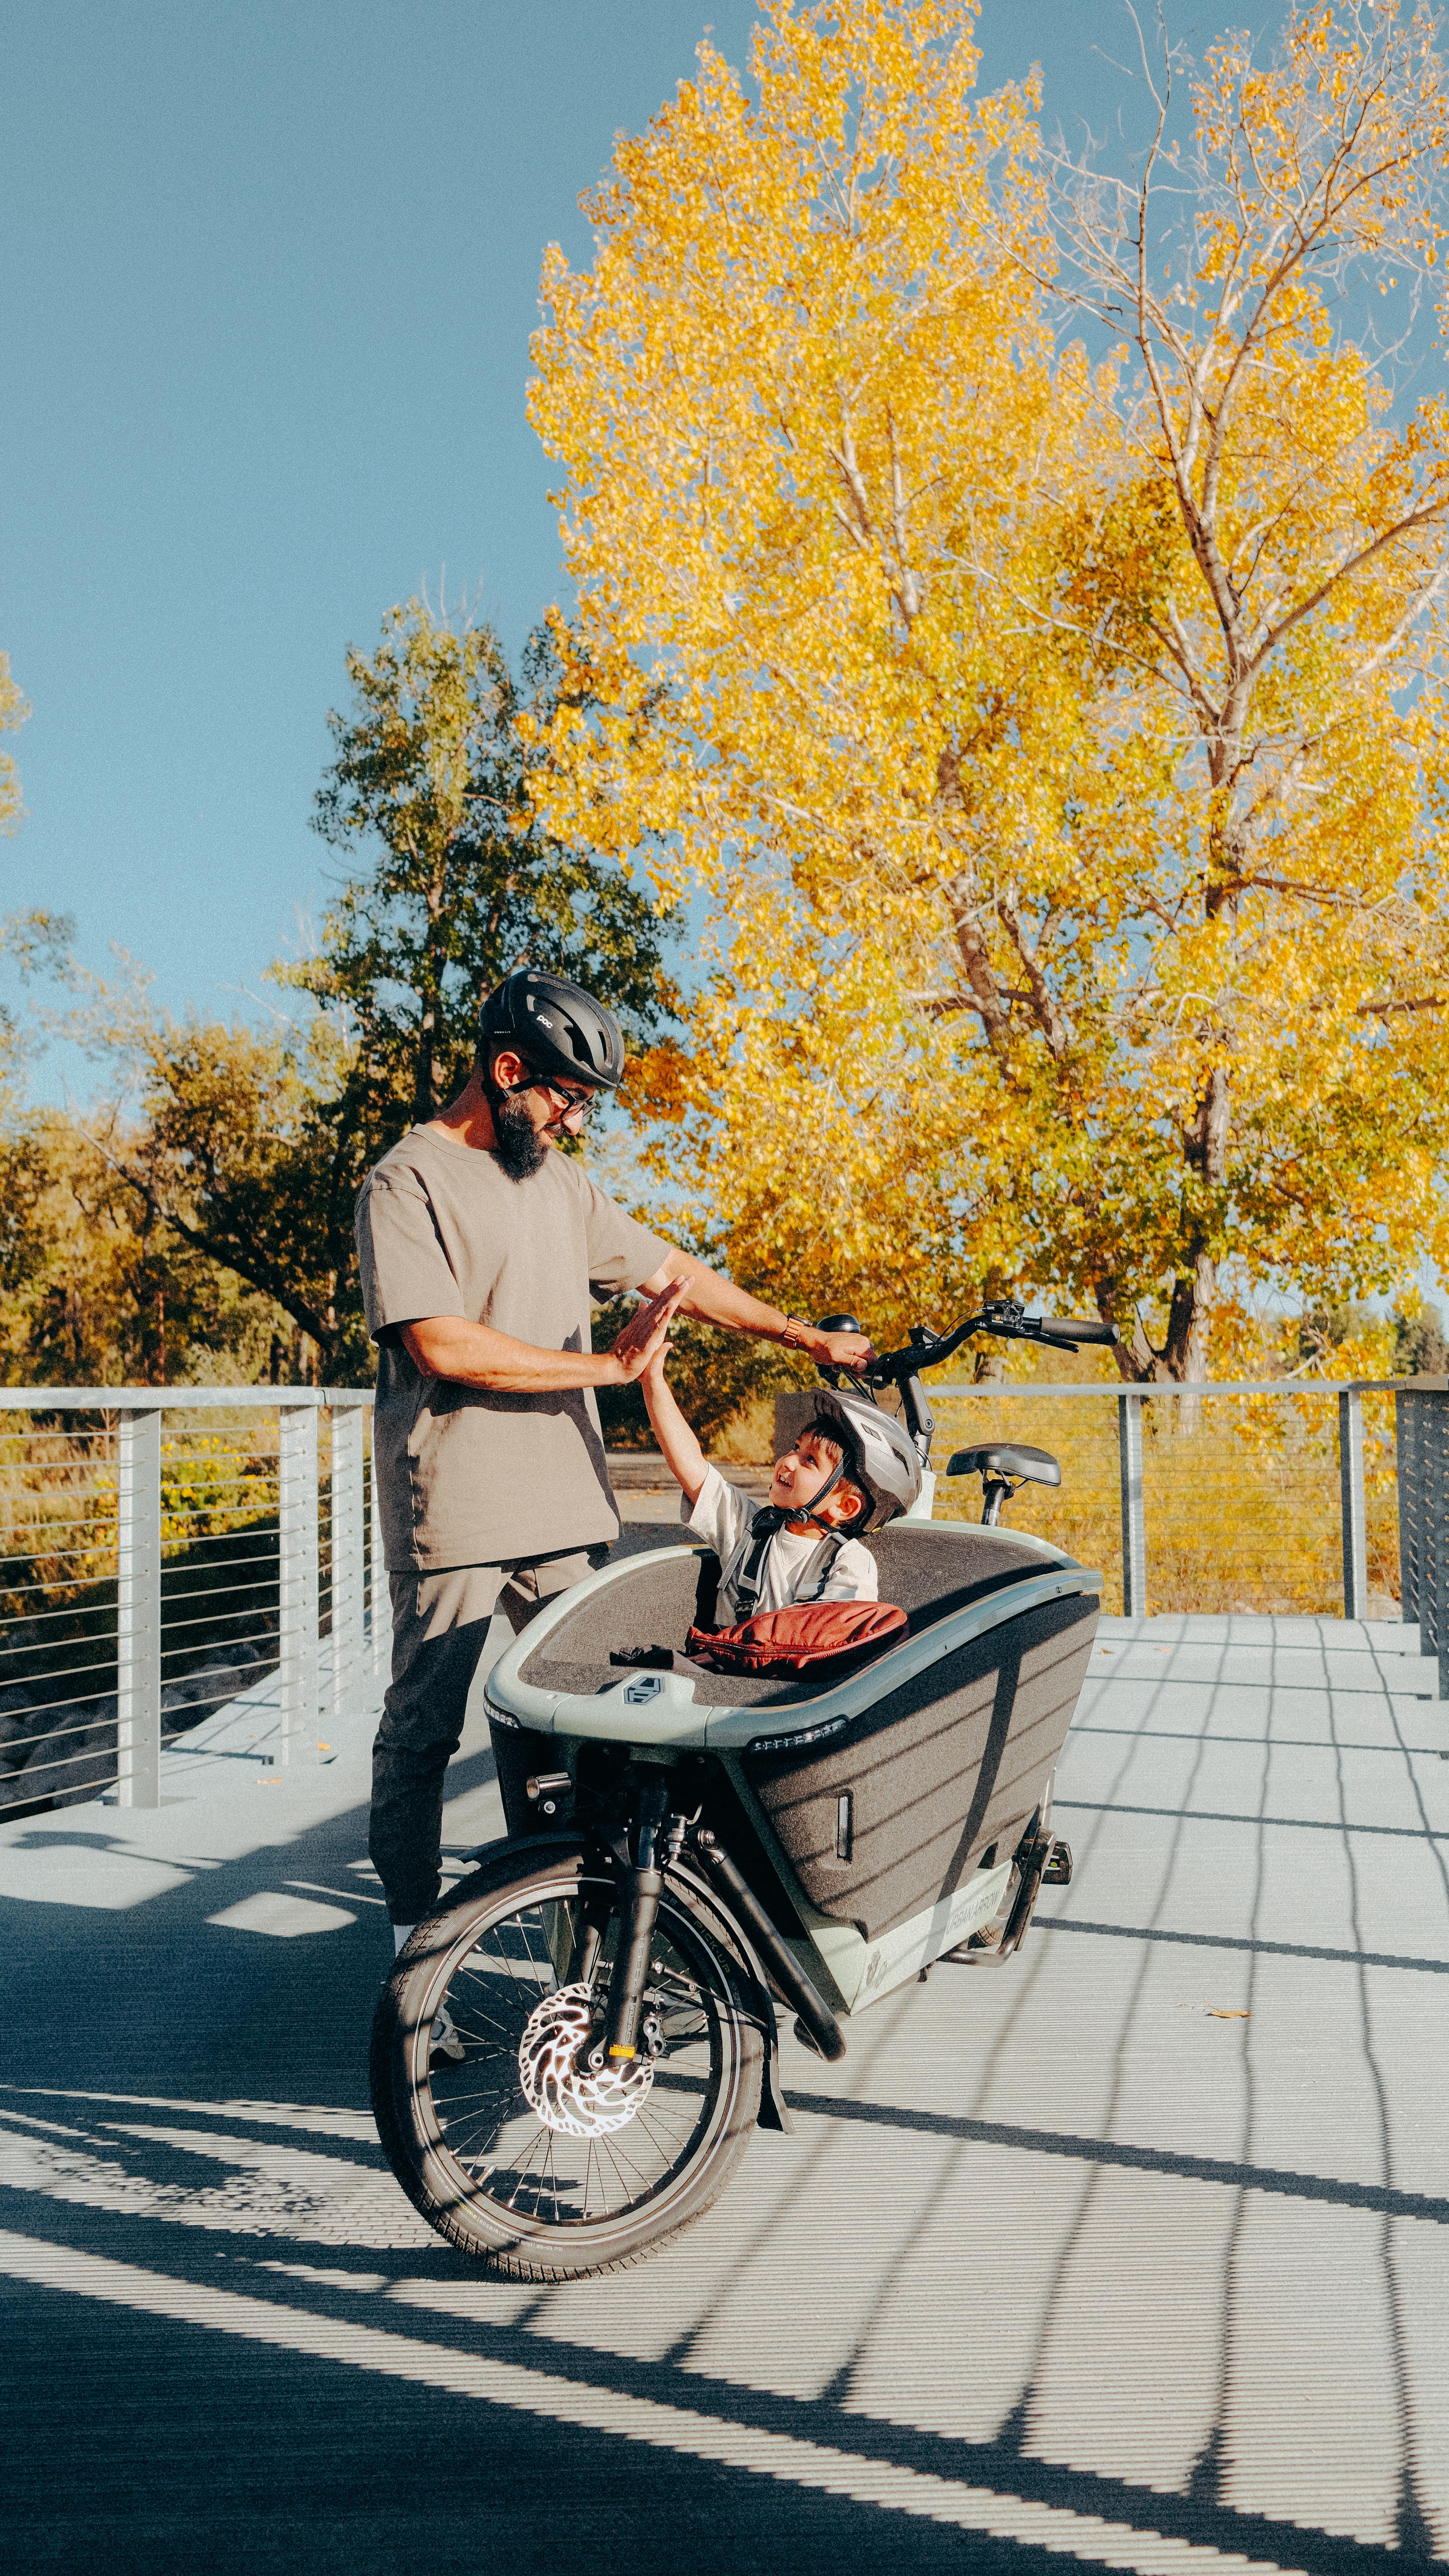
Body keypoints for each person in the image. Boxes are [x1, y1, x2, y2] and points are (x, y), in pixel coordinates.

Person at [354, 965, 875, 1957]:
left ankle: (583, 1931)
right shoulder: (406, 1181)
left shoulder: (559, 1182)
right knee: (423, 1734)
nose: (575, 1122)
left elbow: (673, 1272)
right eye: (565, 1097)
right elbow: (441, 1343)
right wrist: (603, 1364)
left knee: (603, 1723)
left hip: (566, 1504)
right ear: (506, 1070)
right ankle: (411, 1951)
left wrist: (799, 1335)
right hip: (454, 1512)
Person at [641, 1347, 888, 1615]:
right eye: (795, 1448)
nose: (788, 1461)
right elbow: (691, 1465)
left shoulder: (848, 1561)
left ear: (845, 1507)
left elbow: (835, 1639)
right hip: (722, 1658)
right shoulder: (749, 1530)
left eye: (811, 1460)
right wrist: (652, 1379)